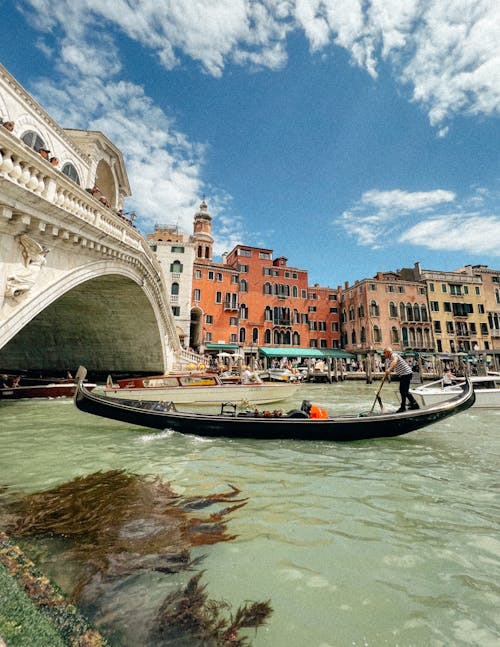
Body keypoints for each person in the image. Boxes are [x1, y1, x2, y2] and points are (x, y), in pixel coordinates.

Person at [383, 347, 420, 412]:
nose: (383, 354)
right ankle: (414, 404)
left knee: (403, 391)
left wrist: (389, 369)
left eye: (384, 353)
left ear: (388, 352)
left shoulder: (394, 355)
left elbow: (394, 361)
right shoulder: (390, 358)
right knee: (405, 391)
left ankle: (403, 407)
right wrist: (384, 377)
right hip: (404, 374)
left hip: (406, 374)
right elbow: (390, 367)